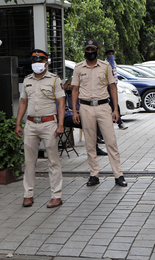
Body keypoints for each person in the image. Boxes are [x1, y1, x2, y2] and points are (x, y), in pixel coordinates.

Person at [71, 39, 127, 187]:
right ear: (85, 51)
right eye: (87, 50)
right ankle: (94, 174)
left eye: (92, 50)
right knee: (90, 143)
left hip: (103, 106)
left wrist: (115, 109)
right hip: (86, 107)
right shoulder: (78, 68)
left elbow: (113, 87)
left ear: (97, 51)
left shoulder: (106, 66)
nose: (90, 53)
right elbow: (75, 89)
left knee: (111, 141)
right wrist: (75, 110)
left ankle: (118, 174)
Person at [15, 49, 65, 208]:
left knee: (53, 160)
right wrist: (18, 123)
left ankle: (56, 195)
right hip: (30, 124)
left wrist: (61, 124)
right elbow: (23, 102)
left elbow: (61, 103)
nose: (37, 64)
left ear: (46, 63)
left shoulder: (54, 80)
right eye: (34, 61)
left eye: (40, 61)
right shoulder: (27, 80)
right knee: (29, 161)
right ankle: (28, 194)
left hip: (49, 123)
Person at [62, 77, 108, 156]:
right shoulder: (61, 92)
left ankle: (96, 141)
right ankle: (95, 146)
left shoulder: (70, 92)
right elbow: (64, 110)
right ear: (69, 85)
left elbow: (75, 106)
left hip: (72, 114)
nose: (74, 90)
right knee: (88, 123)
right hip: (64, 117)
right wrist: (74, 114)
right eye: (73, 88)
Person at [104, 49, 128, 130]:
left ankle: (118, 121)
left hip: (114, 86)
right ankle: (119, 122)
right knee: (112, 105)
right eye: (109, 54)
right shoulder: (105, 64)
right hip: (108, 87)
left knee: (114, 104)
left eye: (112, 54)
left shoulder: (113, 63)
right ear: (106, 55)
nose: (111, 56)